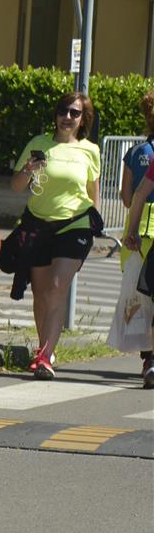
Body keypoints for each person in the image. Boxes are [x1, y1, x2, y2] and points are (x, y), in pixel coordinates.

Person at [6, 92, 101, 379]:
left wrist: (94, 224)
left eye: (74, 113)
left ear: (83, 118)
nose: (67, 117)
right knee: (41, 293)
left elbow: (92, 193)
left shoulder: (90, 150)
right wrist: (28, 169)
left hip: (75, 225)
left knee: (57, 286)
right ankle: (44, 347)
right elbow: (16, 187)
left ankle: (45, 357)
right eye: (62, 111)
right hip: (38, 225)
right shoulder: (39, 143)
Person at [117, 89, 154, 386]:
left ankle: (149, 359)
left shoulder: (137, 152)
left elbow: (129, 197)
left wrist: (130, 230)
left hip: (142, 229)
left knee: (144, 298)